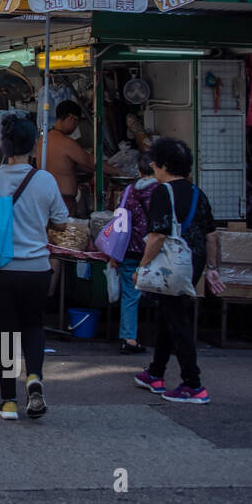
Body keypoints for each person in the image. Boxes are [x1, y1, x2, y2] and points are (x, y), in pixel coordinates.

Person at [0, 115, 69, 420]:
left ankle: (8, 402)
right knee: (33, 326)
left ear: (3, 145)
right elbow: (61, 223)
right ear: (33, 144)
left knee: (5, 333)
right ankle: (34, 377)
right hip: (36, 269)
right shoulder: (45, 179)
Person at [133, 137, 218, 405]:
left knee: (177, 320)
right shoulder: (197, 193)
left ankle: (193, 384)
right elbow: (212, 236)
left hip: (170, 266)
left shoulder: (162, 192)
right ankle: (155, 373)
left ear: (165, 166)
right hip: (194, 263)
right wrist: (213, 269)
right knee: (169, 314)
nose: (153, 168)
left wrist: (142, 268)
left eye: (155, 163)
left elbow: (157, 236)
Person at [33, 100, 118, 218]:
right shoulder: (66, 142)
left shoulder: (43, 140)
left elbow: (67, 164)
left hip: (47, 199)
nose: (76, 127)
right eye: (77, 122)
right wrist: (119, 172)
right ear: (71, 118)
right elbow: (92, 162)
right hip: (63, 202)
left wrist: (102, 170)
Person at [114, 152, 158, 355]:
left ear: (139, 170)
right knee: (162, 294)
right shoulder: (162, 191)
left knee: (130, 296)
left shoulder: (129, 190)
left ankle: (129, 338)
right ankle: (163, 336)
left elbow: (119, 218)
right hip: (155, 250)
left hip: (129, 249)